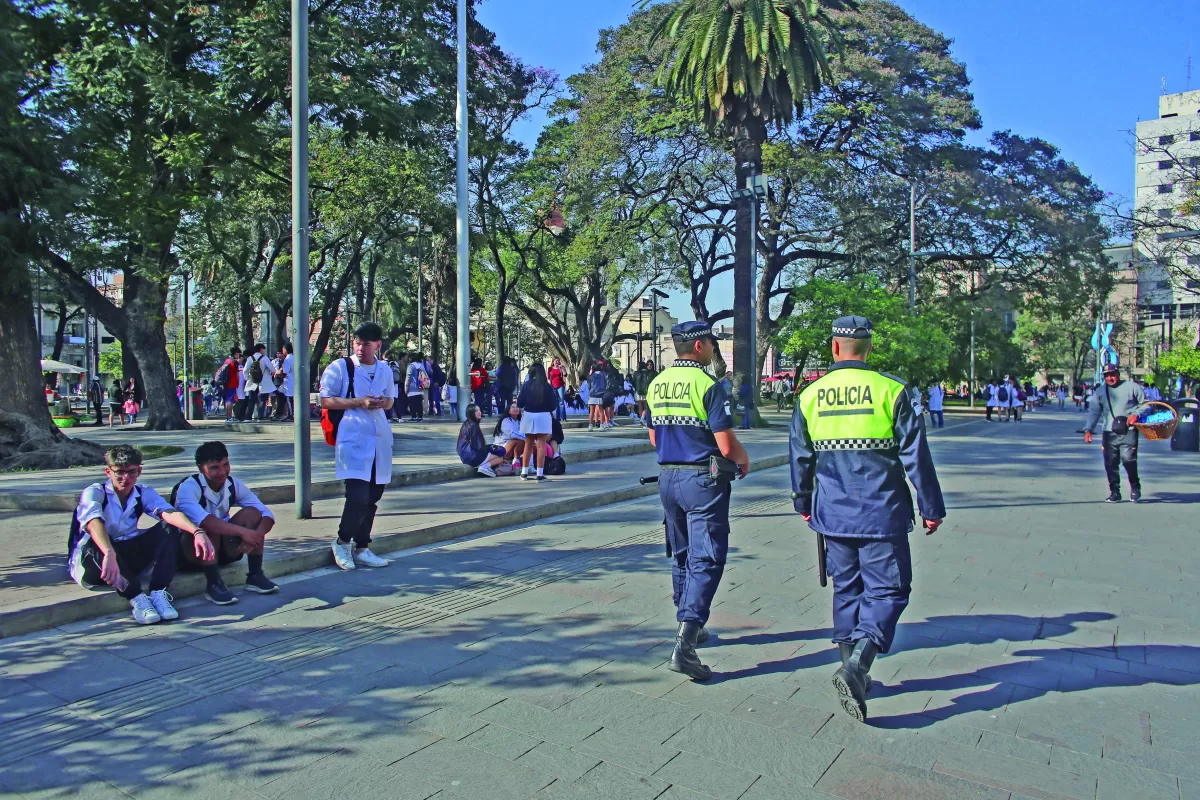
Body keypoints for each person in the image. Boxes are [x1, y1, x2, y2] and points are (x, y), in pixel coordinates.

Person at [790, 316, 945, 722]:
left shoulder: (810, 395)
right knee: (890, 591)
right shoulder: (893, 391)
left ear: (834, 347)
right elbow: (916, 456)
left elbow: (800, 457)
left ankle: (851, 664)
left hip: (832, 514)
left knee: (847, 589)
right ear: (869, 348)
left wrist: (802, 501)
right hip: (882, 513)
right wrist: (931, 507)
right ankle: (857, 666)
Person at [646, 321, 750, 682]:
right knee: (707, 556)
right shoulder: (708, 385)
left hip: (667, 477)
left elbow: (652, 435)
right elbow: (724, 444)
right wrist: (742, 458)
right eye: (711, 344)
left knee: (681, 552)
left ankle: (687, 619)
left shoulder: (657, 383)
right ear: (701, 346)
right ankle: (686, 642)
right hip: (701, 478)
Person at [68, 445, 214, 625]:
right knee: (95, 544)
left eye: (131, 472)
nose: (126, 478)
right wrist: (109, 552)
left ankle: (159, 592)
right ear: (108, 471)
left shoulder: (142, 492)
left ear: (139, 471)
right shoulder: (95, 492)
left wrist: (197, 531)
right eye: (119, 472)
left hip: (125, 556)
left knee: (169, 527)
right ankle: (137, 598)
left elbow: (167, 512)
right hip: (96, 562)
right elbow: (93, 522)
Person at [319, 322, 395, 571]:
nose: (362, 348)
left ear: (378, 345)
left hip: (379, 439)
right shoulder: (341, 367)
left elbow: (391, 401)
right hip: (353, 440)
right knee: (357, 496)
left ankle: (362, 547)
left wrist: (383, 403)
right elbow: (326, 400)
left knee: (373, 497)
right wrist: (359, 402)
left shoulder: (384, 369)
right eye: (358, 343)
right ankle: (341, 542)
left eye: (367, 344)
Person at [172, 441, 278, 604]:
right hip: (190, 553)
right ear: (201, 468)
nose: (222, 471)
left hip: (222, 549)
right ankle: (213, 584)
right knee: (209, 526)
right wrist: (244, 533)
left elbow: (266, 514)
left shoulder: (233, 484)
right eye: (215, 467)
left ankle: (255, 575)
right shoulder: (188, 488)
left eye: (226, 464)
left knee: (252, 513)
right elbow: (206, 521)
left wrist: (256, 535)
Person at [1085, 363, 1148, 503]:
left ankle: (1135, 486)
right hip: (1109, 432)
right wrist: (1088, 429)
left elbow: (1146, 404)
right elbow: (1094, 411)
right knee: (1110, 463)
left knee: (1128, 459)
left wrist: (1136, 414)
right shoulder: (1100, 392)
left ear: (1118, 374)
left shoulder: (1132, 387)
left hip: (1129, 430)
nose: (1110, 378)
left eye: (1112, 374)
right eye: (1106, 375)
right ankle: (1115, 492)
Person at [516, 362, 557, 481]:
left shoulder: (526, 385)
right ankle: (539, 473)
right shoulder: (547, 386)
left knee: (528, 444)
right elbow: (553, 405)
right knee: (541, 445)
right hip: (543, 416)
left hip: (529, 415)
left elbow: (520, 403)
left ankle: (524, 472)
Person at [457, 404, 508, 476]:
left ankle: (485, 465)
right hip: (473, 457)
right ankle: (484, 467)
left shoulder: (466, 424)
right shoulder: (473, 426)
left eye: (479, 410)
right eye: (476, 411)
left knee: (497, 450)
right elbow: (479, 447)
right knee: (501, 455)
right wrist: (491, 448)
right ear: (471, 413)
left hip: (466, 457)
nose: (479, 412)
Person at [405, 352, 429, 422]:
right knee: (419, 403)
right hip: (420, 387)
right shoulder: (421, 365)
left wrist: (406, 387)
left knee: (412, 403)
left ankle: (414, 417)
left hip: (412, 387)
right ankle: (420, 417)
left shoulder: (411, 366)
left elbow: (408, 377)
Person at [586, 361, 607, 432]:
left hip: (592, 394)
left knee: (592, 411)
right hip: (601, 394)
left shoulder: (591, 376)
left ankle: (590, 426)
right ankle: (601, 425)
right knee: (601, 411)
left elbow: (588, 386)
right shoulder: (603, 375)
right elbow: (605, 383)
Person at [279, 342, 295, 421]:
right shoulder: (295, 358)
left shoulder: (287, 360)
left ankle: (290, 414)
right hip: (294, 380)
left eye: (283, 349)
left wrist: (279, 373)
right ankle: (291, 413)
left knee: (289, 398)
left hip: (289, 381)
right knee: (293, 398)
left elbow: (285, 372)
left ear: (285, 350)